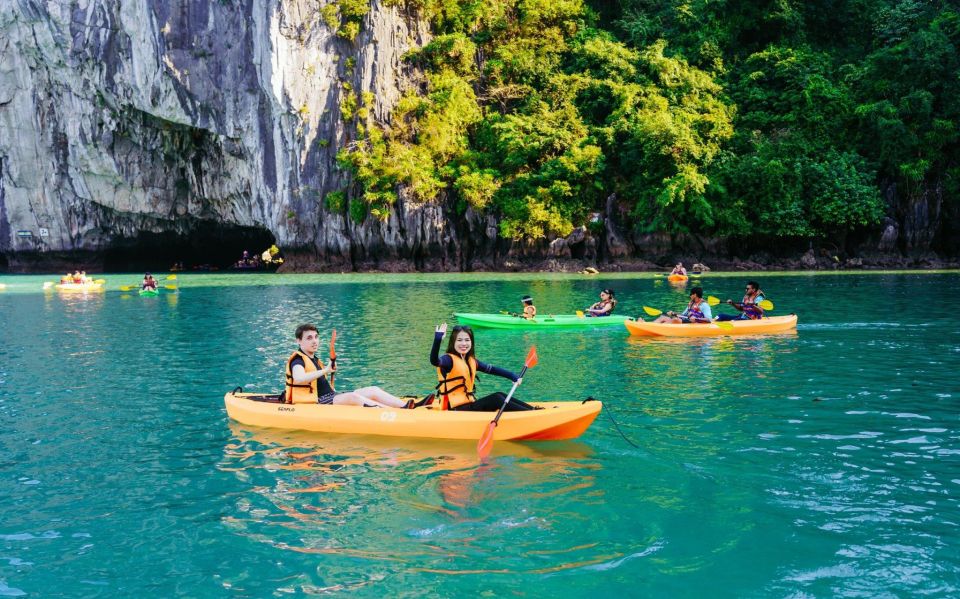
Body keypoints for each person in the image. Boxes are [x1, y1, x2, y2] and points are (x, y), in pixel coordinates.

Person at [285, 323, 413, 408]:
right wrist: (326, 370)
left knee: (373, 390)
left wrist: (327, 370)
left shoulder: (314, 359)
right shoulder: (298, 360)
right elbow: (299, 378)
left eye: (316, 337)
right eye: (309, 338)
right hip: (319, 401)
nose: (314, 341)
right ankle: (393, 412)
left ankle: (405, 406)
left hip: (331, 396)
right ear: (299, 341)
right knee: (352, 397)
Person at [431, 323, 537, 412]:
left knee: (500, 394)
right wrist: (437, 340)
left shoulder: (470, 361)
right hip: (455, 409)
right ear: (453, 342)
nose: (463, 343)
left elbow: (492, 369)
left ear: (471, 342)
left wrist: (513, 376)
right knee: (496, 399)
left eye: (467, 340)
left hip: (468, 405)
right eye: (459, 340)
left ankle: (533, 410)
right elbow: (434, 360)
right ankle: (532, 414)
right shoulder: (448, 360)